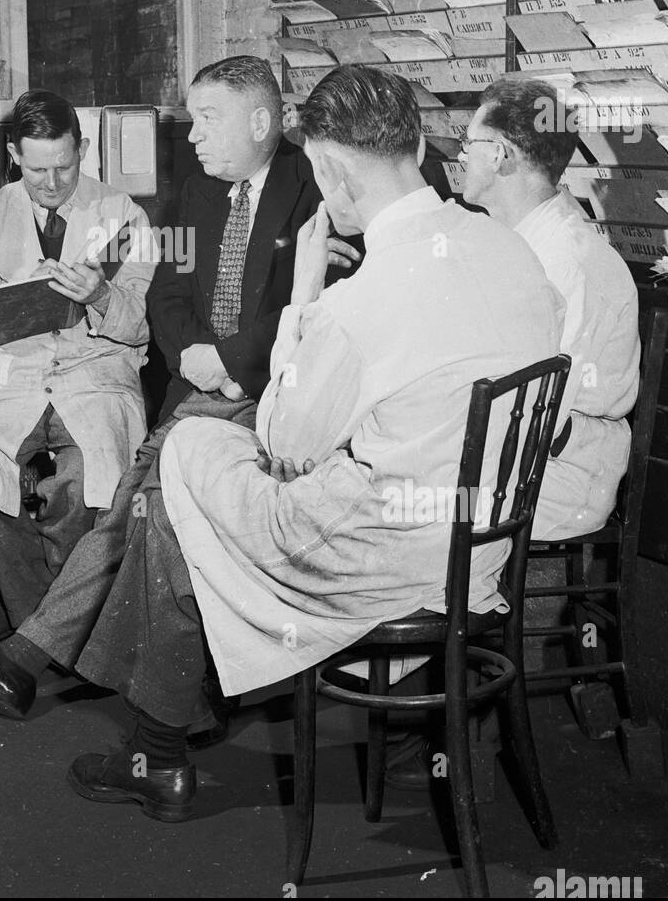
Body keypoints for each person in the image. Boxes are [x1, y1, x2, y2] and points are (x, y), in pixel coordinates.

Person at [60, 64, 564, 822]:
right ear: (415, 146)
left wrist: (302, 292)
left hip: (383, 559)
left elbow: (285, 445)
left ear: (327, 171)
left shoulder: (361, 300)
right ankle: (200, 741)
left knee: (186, 454)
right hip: (483, 545)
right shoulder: (508, 249)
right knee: (184, 484)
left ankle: (159, 752)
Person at [0, 57, 354, 735]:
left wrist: (228, 363)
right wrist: (192, 356)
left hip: (277, 394)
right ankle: (73, 668)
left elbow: (321, 305)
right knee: (128, 504)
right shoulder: (196, 191)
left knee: (131, 502)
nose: (190, 134)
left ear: (260, 121)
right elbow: (170, 297)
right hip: (196, 387)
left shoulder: (319, 187)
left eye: (207, 118)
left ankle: (33, 659)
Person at [0, 91, 157, 631]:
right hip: (11, 375)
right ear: (14, 155)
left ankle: (53, 634)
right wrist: (22, 295)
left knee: (86, 480)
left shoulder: (123, 215)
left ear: (82, 150)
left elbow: (142, 325)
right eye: (36, 168)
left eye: (63, 167)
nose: (50, 182)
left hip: (94, 373)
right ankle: (48, 631)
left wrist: (100, 297)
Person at [460, 75, 640, 540]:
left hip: (557, 475)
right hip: (508, 451)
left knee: (405, 508)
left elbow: (537, 409)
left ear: (500, 155)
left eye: (469, 143)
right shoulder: (513, 242)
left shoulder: (570, 262)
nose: (461, 156)